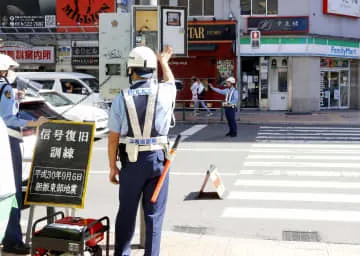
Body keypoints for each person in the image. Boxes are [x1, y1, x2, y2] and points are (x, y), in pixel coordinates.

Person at [107, 45, 176, 256]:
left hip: (131, 162)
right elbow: (171, 82)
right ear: (153, 71)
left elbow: (112, 138)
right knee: (154, 215)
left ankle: (122, 253)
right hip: (158, 161)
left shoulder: (121, 98)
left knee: (126, 212)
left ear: (131, 70)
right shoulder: (165, 92)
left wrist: (112, 167)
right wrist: (163, 61)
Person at [0, 53, 48, 254]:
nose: (12, 72)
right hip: (8, 141)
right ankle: (12, 239)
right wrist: (33, 123)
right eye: (10, 69)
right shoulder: (6, 89)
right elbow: (9, 119)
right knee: (11, 192)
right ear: (3, 70)